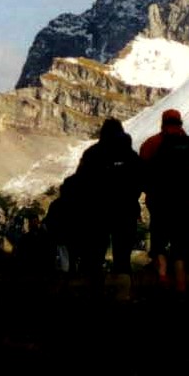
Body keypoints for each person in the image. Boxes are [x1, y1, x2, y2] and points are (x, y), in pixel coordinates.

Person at [139, 109, 189, 293]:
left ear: (163, 122)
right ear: (180, 123)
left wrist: (150, 192)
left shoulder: (151, 144)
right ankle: (180, 289)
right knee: (179, 249)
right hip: (186, 205)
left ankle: (162, 276)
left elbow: (142, 174)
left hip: (160, 203)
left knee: (159, 244)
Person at [70, 117, 145, 282]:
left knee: (94, 255)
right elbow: (142, 179)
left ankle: (95, 293)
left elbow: (79, 181)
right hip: (126, 211)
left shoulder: (92, 153)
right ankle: (123, 295)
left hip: (97, 212)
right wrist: (131, 197)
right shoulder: (130, 155)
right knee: (123, 257)